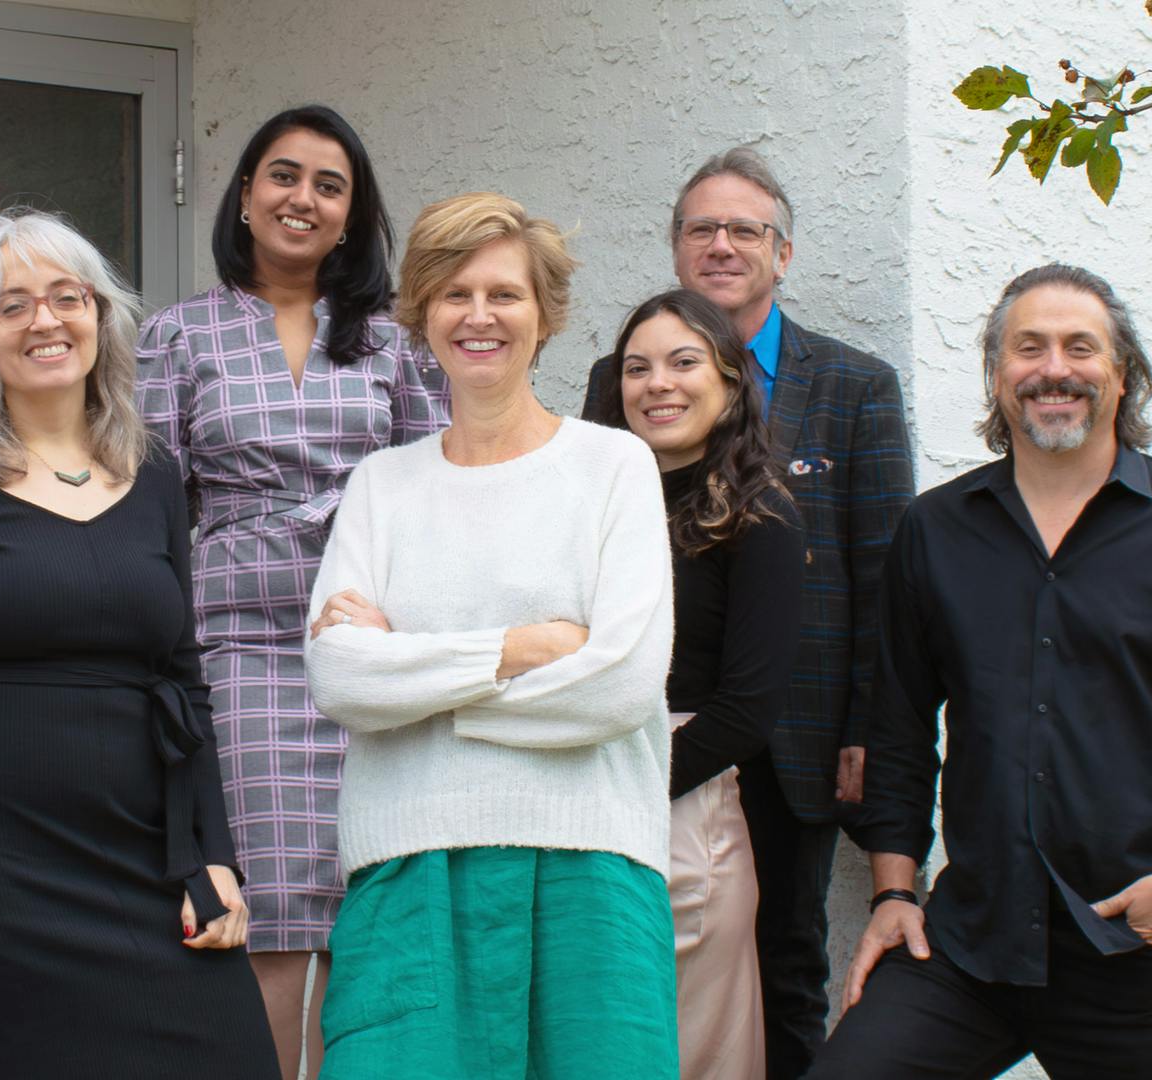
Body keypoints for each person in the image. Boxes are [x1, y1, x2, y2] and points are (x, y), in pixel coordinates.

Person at [811, 265, 1152, 1079]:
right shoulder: (936, 530)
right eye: (1027, 348)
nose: (1054, 369)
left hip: (1137, 944)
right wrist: (895, 893)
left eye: (1081, 347)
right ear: (999, 375)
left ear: (1121, 372)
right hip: (971, 942)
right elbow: (895, 731)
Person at [0, 209, 276, 1077]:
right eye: (13, 304)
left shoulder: (152, 473)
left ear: (101, 317)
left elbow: (183, 682)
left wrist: (215, 857)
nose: (45, 320)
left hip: (139, 854)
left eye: (67, 297)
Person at [303, 192, 677, 1079]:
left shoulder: (611, 466)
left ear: (544, 315)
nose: (479, 316)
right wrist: (514, 651)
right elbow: (343, 680)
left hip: (593, 867)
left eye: (505, 294)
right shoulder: (382, 486)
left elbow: (621, 684)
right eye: (454, 293)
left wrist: (422, 688)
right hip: (407, 875)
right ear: (421, 315)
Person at [582, 147, 916, 1077]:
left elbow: (885, 578)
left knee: (784, 966)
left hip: (795, 738)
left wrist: (868, 729)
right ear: (677, 249)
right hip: (636, 734)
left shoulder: (854, 386)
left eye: (744, 230)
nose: (721, 245)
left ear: (784, 252)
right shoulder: (619, 380)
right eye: (701, 229)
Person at [136, 104, 447, 1078]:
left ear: (352, 217)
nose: (301, 198)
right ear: (243, 193)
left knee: (372, 910)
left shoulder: (395, 343)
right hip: (237, 651)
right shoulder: (178, 335)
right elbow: (150, 511)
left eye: (328, 184)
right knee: (262, 908)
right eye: (282, 175)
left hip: (366, 647)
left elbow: (435, 489)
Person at [601, 289, 803, 1079]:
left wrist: (624, 785)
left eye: (684, 363)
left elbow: (747, 713)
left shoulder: (763, 517)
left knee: (690, 1051)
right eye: (637, 368)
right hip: (586, 793)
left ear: (729, 379)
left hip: (687, 801)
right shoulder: (592, 505)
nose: (659, 384)